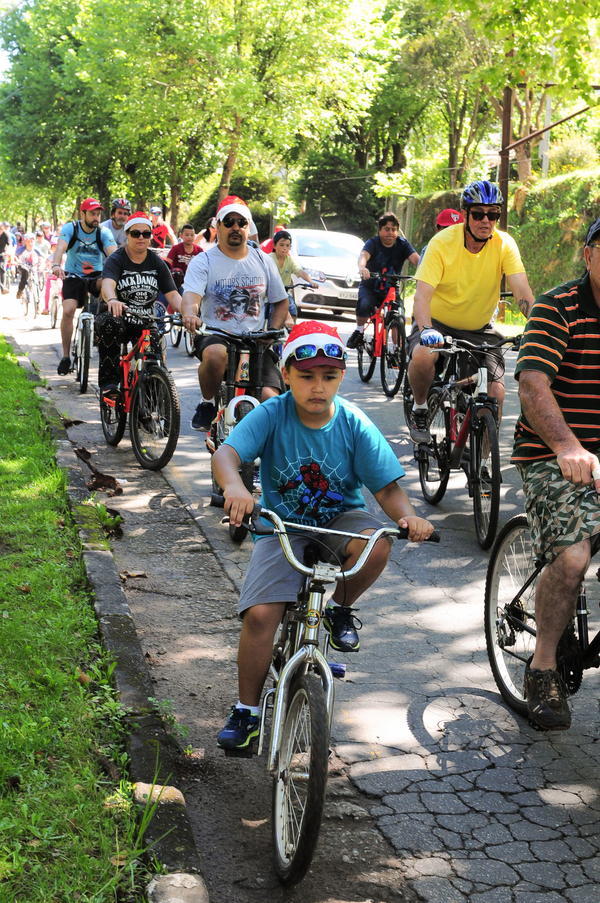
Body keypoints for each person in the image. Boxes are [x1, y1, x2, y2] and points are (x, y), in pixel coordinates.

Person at [211, 320, 435, 751]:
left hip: (340, 520)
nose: (318, 387)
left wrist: (410, 517)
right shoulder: (272, 413)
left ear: (341, 378)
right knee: (260, 616)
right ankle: (247, 711)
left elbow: (386, 488)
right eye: (306, 376)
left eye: (329, 377)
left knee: (377, 543)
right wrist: (235, 486)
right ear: (286, 375)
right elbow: (227, 453)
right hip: (283, 527)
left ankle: (338, 608)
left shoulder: (353, 422)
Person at [510, 216, 600, 731]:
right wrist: (568, 445)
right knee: (571, 557)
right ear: (587, 255)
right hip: (552, 452)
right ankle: (543, 666)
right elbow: (532, 385)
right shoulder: (557, 307)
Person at [407, 180, 535, 443]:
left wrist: (538, 326)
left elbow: (522, 292)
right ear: (465, 214)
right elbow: (422, 295)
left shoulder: (504, 244)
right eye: (478, 213)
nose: (485, 221)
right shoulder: (442, 243)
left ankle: (483, 466)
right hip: (437, 324)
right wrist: (426, 329)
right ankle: (420, 406)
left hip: (479, 329)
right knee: (422, 355)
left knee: (496, 393)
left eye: (493, 214)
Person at [181, 196, 288, 432]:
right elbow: (191, 298)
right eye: (229, 222)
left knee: (272, 398)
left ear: (248, 228)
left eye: (242, 222)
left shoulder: (262, 259)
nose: (236, 227)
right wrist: (190, 314)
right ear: (217, 226)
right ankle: (208, 402)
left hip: (256, 339)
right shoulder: (204, 261)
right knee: (217, 355)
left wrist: (272, 330)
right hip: (216, 333)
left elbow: (281, 302)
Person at [98, 212, 181, 391]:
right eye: (136, 233)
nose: (141, 237)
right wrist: (112, 300)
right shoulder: (116, 259)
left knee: (155, 362)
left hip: (145, 321)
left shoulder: (157, 263)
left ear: (151, 237)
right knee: (108, 324)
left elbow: (173, 294)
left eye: (146, 234)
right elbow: (107, 284)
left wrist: (188, 313)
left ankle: (154, 400)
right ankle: (109, 385)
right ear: (127, 235)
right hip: (119, 318)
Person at [51, 198, 117, 375]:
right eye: (92, 214)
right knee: (68, 310)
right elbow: (60, 248)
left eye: (98, 214)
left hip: (96, 276)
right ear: (83, 214)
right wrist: (56, 265)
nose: (96, 217)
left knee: (108, 290)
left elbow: (113, 253)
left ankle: (100, 329)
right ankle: (66, 357)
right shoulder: (70, 228)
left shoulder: (103, 232)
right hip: (73, 275)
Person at [347, 212, 420, 350]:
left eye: (394, 229)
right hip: (371, 288)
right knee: (364, 304)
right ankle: (359, 331)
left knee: (399, 317)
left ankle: (398, 351)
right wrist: (362, 268)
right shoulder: (373, 243)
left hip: (391, 289)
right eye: (387, 229)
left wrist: (426, 272)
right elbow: (363, 255)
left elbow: (417, 260)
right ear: (379, 230)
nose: (390, 233)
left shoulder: (403, 244)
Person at [269, 229, 319, 326]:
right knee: (274, 311)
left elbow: (300, 271)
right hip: (271, 294)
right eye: (282, 245)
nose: (285, 248)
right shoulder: (269, 258)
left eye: (287, 246)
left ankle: (291, 334)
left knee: (293, 310)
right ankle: (272, 332)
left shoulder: (290, 260)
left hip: (285, 293)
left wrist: (311, 281)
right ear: (274, 246)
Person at [166, 223, 202, 291]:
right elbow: (167, 264)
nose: (189, 237)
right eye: (187, 235)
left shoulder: (199, 250)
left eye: (192, 235)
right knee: (177, 272)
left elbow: (203, 267)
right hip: (177, 282)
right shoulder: (175, 248)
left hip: (193, 282)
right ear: (181, 235)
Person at [15, 233, 43, 300]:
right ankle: (20, 291)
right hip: (22, 266)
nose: (30, 243)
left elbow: (42, 257)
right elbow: (15, 256)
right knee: (25, 273)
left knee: (36, 278)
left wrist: (41, 265)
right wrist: (17, 261)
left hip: (33, 266)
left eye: (32, 241)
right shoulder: (21, 249)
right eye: (28, 241)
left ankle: (37, 299)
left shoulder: (36, 250)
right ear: (25, 241)